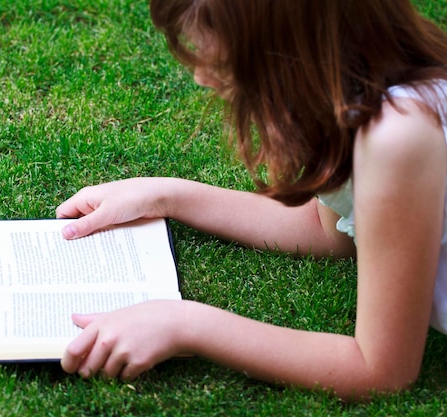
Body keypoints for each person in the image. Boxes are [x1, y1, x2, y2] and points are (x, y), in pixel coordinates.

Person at [56, 0, 447, 400]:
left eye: (224, 62)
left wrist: (185, 324)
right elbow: (327, 231)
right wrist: (167, 194)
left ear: (293, 51)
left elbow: (380, 371)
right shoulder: (364, 98)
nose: (201, 78)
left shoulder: (398, 135)